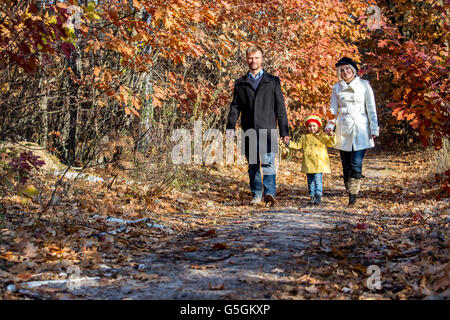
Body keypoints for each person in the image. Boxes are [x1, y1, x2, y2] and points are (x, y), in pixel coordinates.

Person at [226, 45, 290, 206]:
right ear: (246, 59)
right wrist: (230, 126)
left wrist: (284, 131)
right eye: (250, 58)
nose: (253, 61)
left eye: (256, 58)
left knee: (268, 162)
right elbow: (235, 106)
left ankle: (269, 193)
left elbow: (280, 108)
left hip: (268, 129)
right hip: (249, 129)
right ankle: (256, 194)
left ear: (262, 59)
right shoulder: (240, 83)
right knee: (253, 165)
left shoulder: (273, 81)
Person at [324, 57, 379, 205]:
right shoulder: (337, 87)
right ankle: (350, 189)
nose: (345, 72)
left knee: (356, 163)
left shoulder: (364, 85)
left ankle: (353, 197)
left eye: (347, 69)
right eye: (342, 70)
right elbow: (333, 110)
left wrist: (374, 128)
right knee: (346, 165)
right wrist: (330, 125)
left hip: (360, 127)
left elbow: (371, 109)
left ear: (353, 70)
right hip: (343, 127)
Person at [290, 114, 335, 205]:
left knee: (317, 179)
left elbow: (331, 143)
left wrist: (331, 135)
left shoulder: (322, 135)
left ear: (318, 126)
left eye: (314, 126)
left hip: (319, 162)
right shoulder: (304, 137)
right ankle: (312, 195)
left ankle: (318, 194)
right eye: (309, 126)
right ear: (307, 127)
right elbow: (297, 145)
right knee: (310, 180)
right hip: (308, 162)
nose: (312, 128)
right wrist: (288, 143)